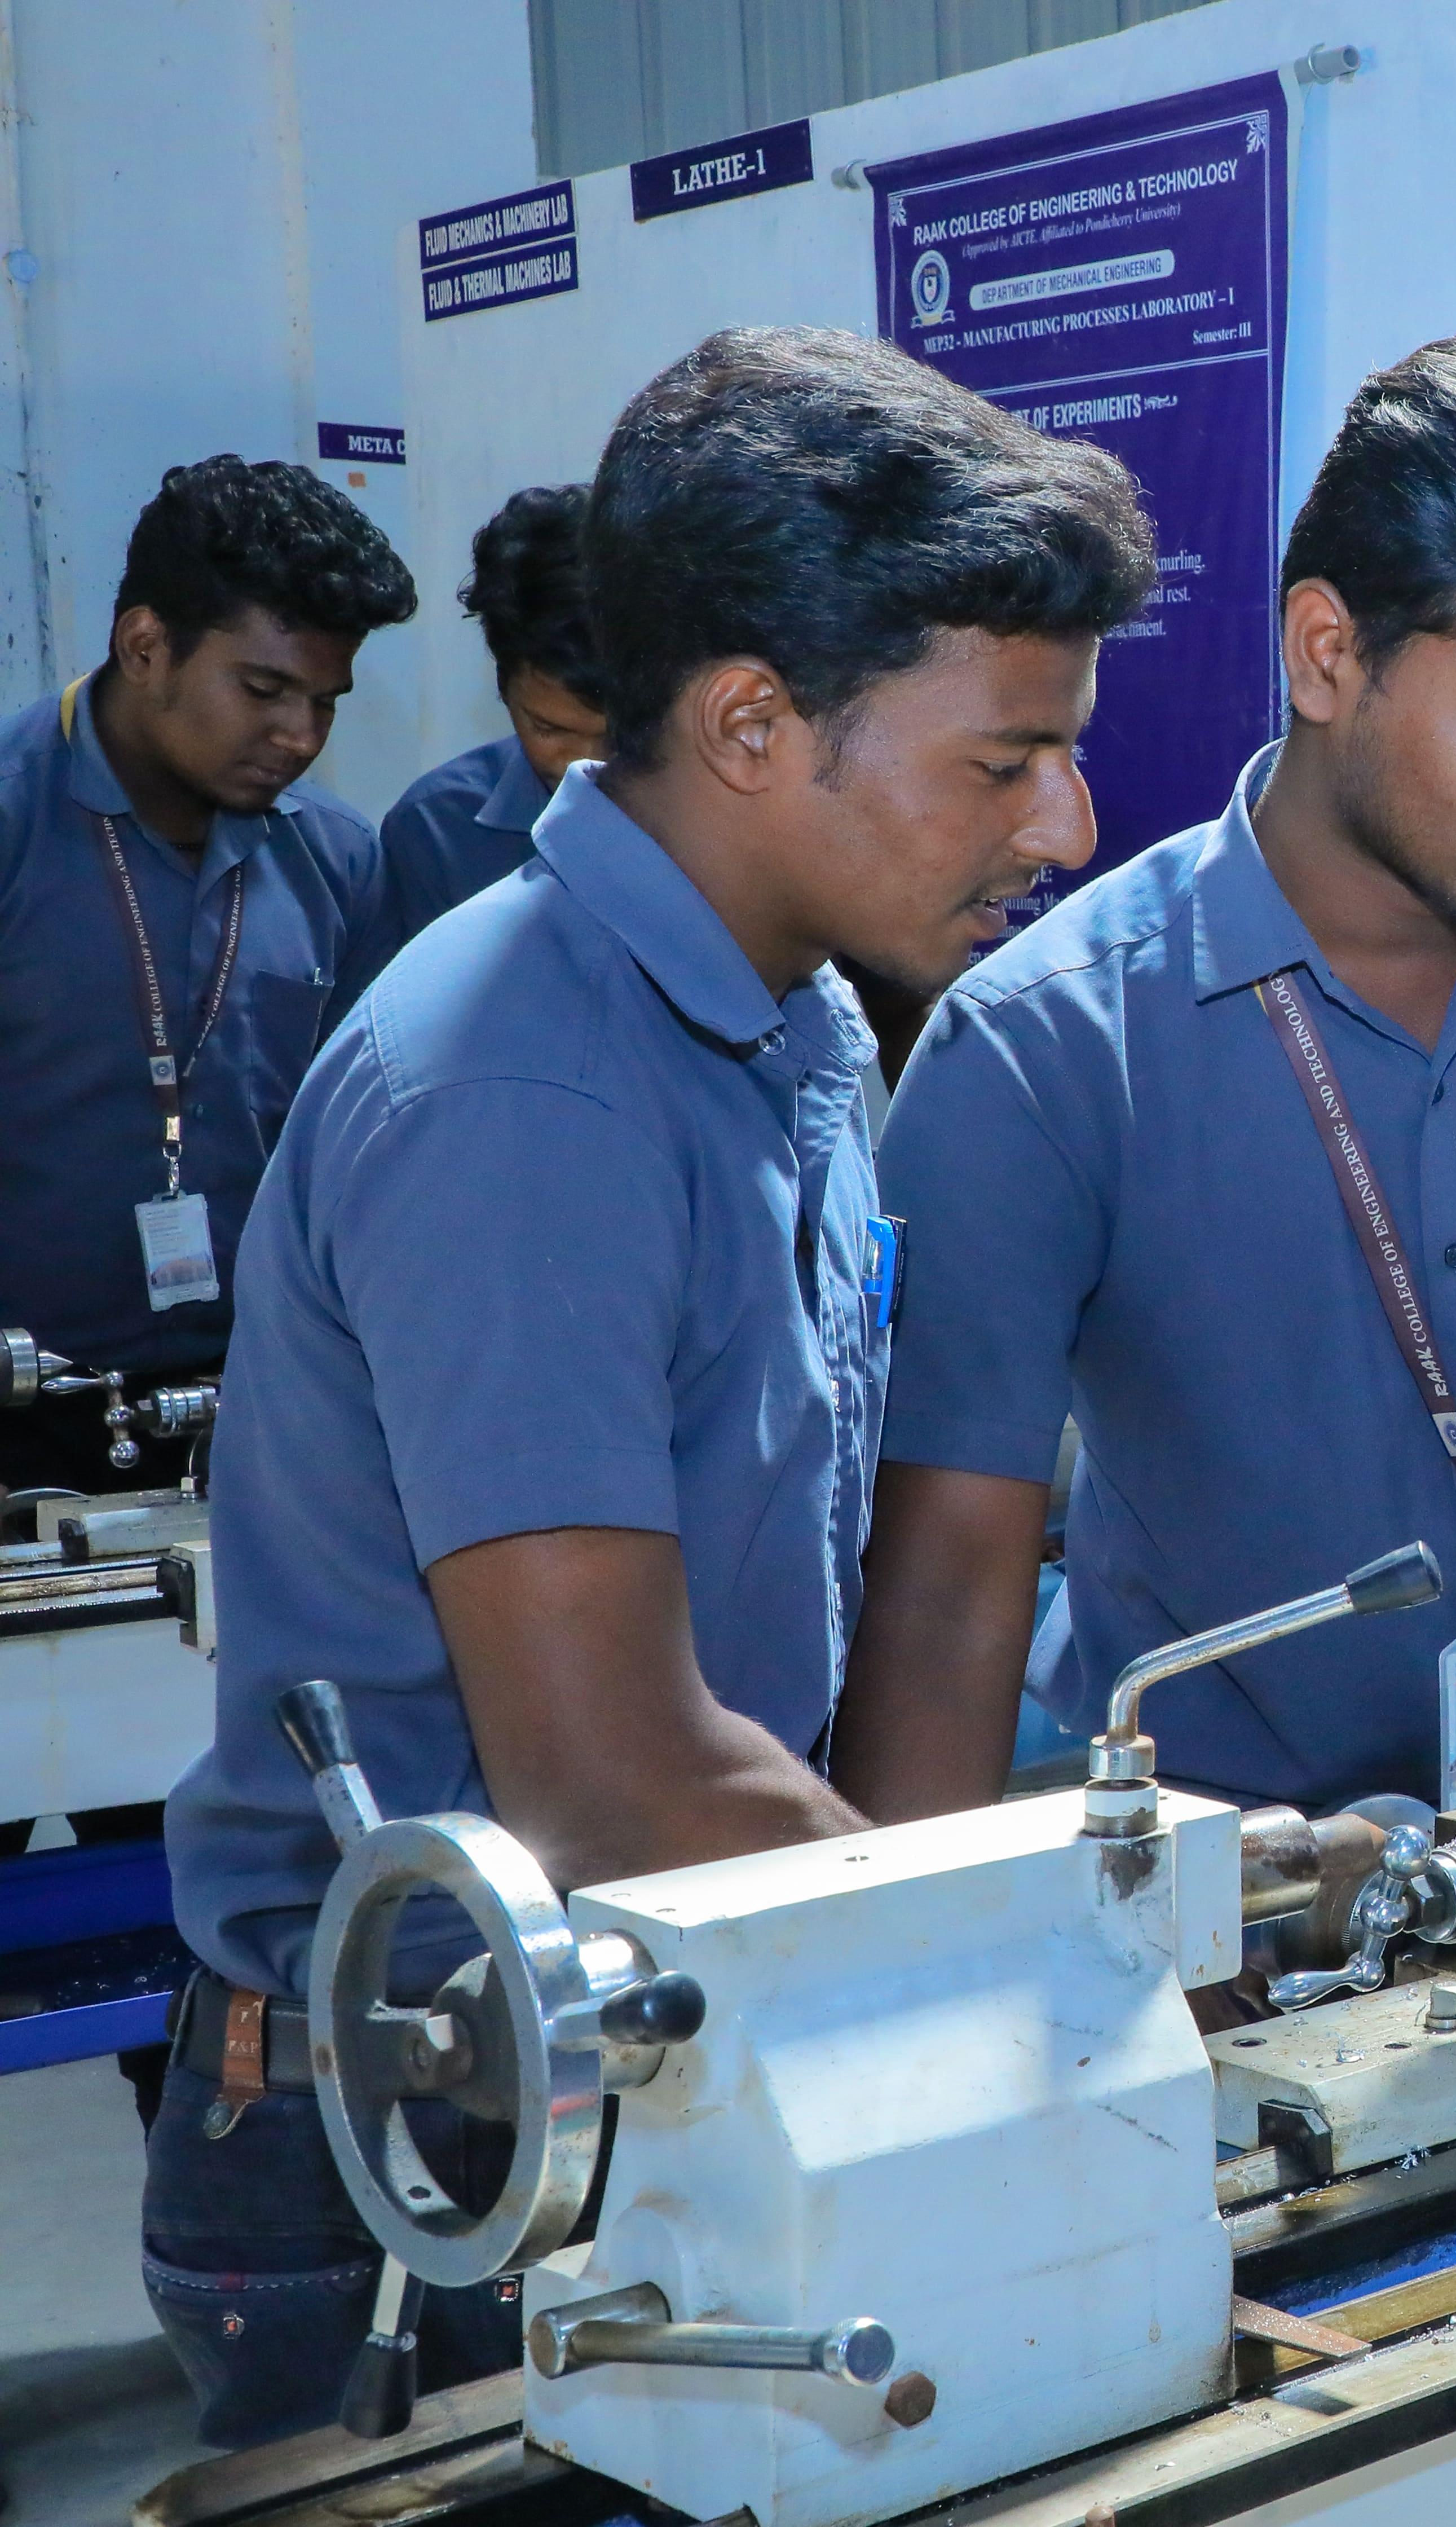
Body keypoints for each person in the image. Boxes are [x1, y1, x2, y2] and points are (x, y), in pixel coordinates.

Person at [145, 327, 1154, 2446]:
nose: (1067, 819)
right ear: (754, 722)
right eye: (1002, 759)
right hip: (427, 2131)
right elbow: (609, 1761)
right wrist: (1012, 1984)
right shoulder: (524, 1084)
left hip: (655, 2018)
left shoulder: (788, 1029)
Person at [845, 328, 1456, 1874]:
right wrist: (931, 1995)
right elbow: (944, 1602)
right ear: (1328, 655)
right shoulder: (1042, 1050)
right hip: (1193, 1900)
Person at [0, 457, 413, 1505]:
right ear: (146, 646)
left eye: (327, 702)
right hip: (20, 1420)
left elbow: (361, 1159)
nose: (300, 738)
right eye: (265, 691)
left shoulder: (339, 860)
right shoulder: (14, 820)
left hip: (263, 1409)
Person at [368, 482, 604, 954]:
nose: (588, 764)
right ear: (502, 689)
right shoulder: (438, 832)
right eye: (550, 729)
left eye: (621, 733)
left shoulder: (729, 811)